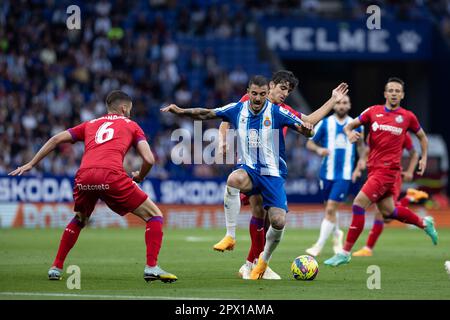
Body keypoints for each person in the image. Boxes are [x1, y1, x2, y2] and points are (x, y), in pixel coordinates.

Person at [161, 75, 349, 279]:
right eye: (282, 88)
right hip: (250, 166)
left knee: (272, 221)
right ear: (270, 87)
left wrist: (330, 102)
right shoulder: (247, 101)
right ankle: (244, 254)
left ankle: (257, 262)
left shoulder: (282, 110)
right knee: (255, 208)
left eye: (288, 91)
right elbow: (220, 115)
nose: (284, 94)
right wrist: (222, 140)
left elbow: (309, 123)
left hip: (274, 170)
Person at [9, 90, 177, 283]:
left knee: (80, 219)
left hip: (84, 176)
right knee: (154, 215)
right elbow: (149, 159)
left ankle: (56, 267)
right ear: (123, 108)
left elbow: (55, 139)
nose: (129, 114)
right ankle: (151, 267)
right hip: (111, 175)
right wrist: (140, 176)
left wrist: (31, 163)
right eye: (129, 110)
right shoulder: (131, 125)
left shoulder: (90, 124)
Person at [324, 77, 438, 267]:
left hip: (387, 171)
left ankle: (345, 252)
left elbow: (422, 138)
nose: (393, 94)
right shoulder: (373, 112)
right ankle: (425, 223)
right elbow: (348, 126)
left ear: (402, 95)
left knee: (358, 204)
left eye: (397, 91)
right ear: (385, 94)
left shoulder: (407, 117)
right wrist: (350, 134)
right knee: (389, 211)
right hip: (373, 170)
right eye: (390, 90)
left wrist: (424, 158)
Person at [304, 94, 366, 257]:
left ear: (349, 105)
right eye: (338, 102)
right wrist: (319, 150)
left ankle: (318, 246)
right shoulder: (325, 123)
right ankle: (337, 234)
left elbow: (361, 147)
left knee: (331, 208)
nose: (341, 105)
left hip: (344, 175)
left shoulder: (356, 125)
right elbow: (309, 143)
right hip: (326, 173)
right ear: (334, 106)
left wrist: (360, 165)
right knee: (329, 209)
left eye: (345, 102)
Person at [352, 132, 429, 257]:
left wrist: (409, 171)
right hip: (375, 174)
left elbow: (414, 154)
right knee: (386, 216)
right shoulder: (375, 128)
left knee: (383, 214)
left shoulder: (403, 133)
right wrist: (358, 168)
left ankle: (368, 248)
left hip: (392, 175)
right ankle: (410, 197)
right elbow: (367, 151)